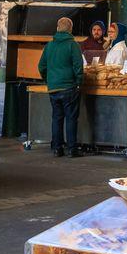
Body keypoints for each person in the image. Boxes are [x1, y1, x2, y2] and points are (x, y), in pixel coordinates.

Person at [36, 17, 85, 157]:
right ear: (70, 29)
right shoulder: (72, 45)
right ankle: (72, 149)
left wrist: (48, 80)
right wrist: (79, 82)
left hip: (53, 88)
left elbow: (41, 66)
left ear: (57, 28)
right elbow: (78, 66)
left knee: (57, 118)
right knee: (71, 118)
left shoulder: (49, 46)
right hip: (69, 87)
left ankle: (57, 148)